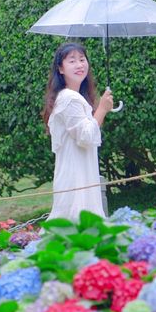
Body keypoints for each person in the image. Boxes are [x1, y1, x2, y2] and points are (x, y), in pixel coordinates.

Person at [42, 42, 114, 223]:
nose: (80, 65)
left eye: (82, 59)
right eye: (72, 61)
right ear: (61, 69)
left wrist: (100, 109)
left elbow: (89, 130)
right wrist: (103, 109)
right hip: (76, 176)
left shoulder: (75, 97)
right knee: (75, 224)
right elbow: (87, 136)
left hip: (79, 171)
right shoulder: (69, 99)